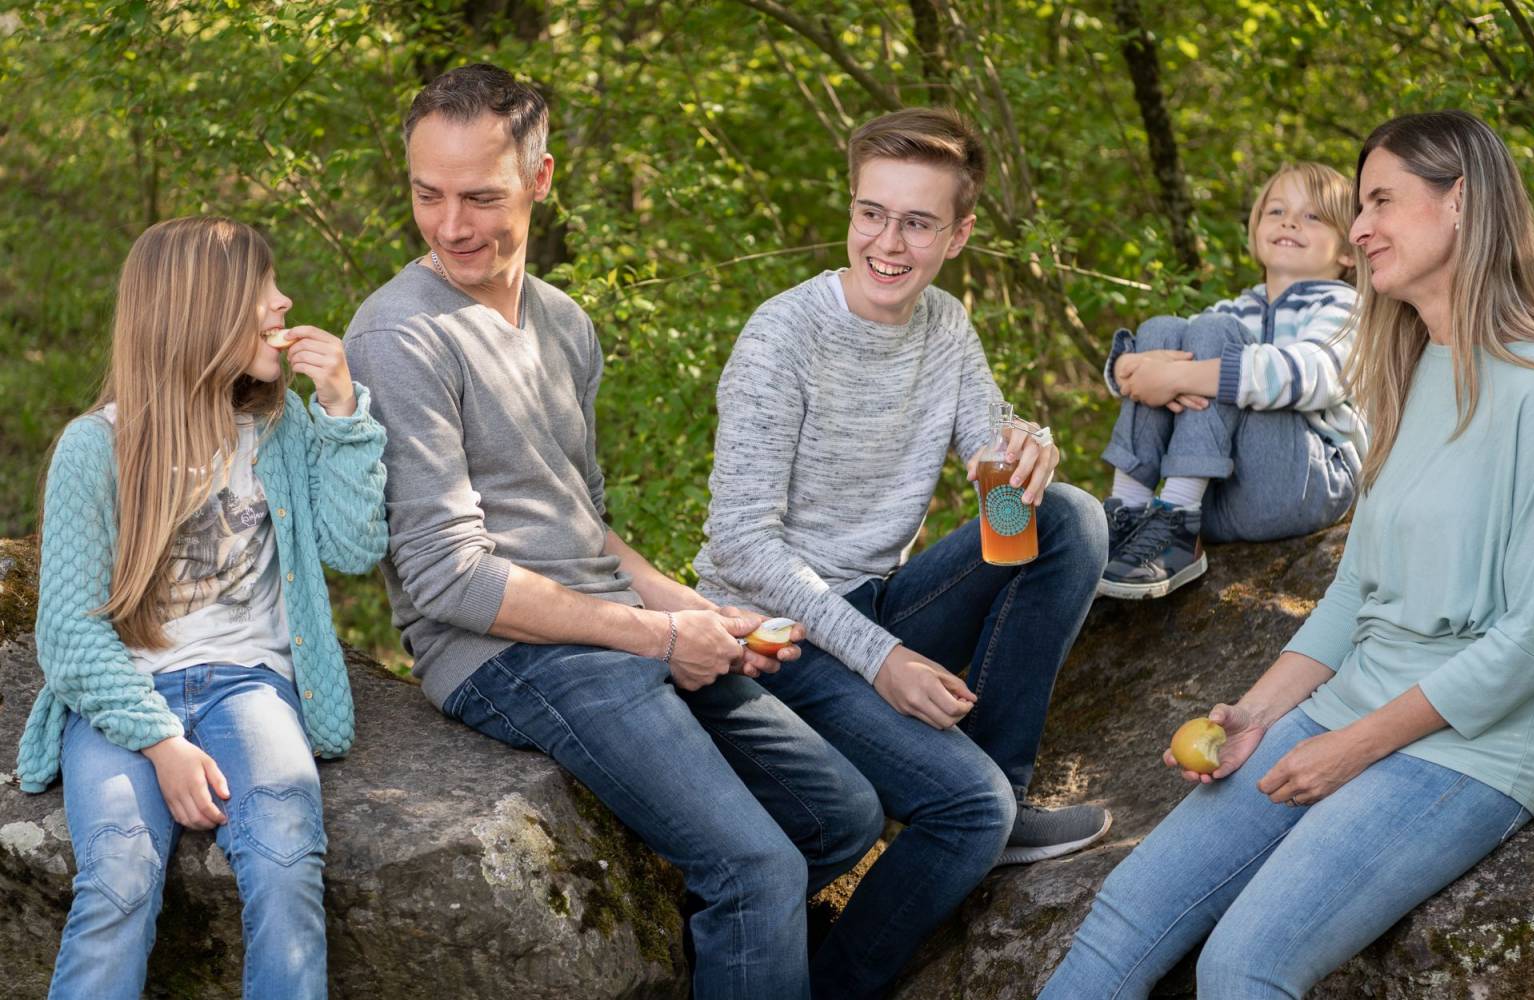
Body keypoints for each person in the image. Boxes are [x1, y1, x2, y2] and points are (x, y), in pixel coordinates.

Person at [342, 63, 882, 998]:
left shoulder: (564, 323)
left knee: (842, 815)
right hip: (503, 655)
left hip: (609, 625)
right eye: (428, 195)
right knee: (756, 872)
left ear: (541, 181)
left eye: (481, 195)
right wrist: (658, 635)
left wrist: (699, 612)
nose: (451, 224)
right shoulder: (399, 336)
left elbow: (584, 524)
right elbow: (446, 580)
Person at [1040, 109, 1534, 999]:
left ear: (1461, 204)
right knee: (1118, 922)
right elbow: (1351, 597)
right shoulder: (1406, 369)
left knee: (1241, 968)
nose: (1362, 227)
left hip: (1473, 746)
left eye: (1381, 200)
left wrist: (1353, 749)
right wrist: (1255, 716)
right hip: (1346, 702)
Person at [693, 107, 1111, 999]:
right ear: (850, 211)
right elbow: (740, 541)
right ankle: (840, 982)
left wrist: (1024, 450)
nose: (887, 242)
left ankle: (1003, 783)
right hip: (773, 634)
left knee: (1070, 518)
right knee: (964, 815)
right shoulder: (782, 335)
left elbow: (999, 499)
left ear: (957, 235)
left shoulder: (946, 325)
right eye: (870, 213)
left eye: (917, 222)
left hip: (878, 599)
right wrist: (884, 663)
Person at [13, 216, 389, 999]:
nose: (284, 302)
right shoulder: (96, 449)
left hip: (250, 684)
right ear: (203, 310)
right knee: (117, 873)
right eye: (263, 290)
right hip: (122, 702)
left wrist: (343, 408)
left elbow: (354, 549)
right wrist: (160, 746)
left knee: (288, 855)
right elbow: (71, 637)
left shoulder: (278, 430)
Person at [1096, 162, 1365, 599]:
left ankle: (1178, 527)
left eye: (1313, 216)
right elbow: (1157, 365)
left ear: (1348, 251)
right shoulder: (1238, 308)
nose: (1290, 221)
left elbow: (1316, 376)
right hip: (1222, 495)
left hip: (1301, 484)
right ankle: (1129, 514)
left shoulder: (1347, 307)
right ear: (1257, 229)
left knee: (1214, 335)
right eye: (1276, 211)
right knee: (1163, 329)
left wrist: (1184, 376)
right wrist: (1129, 368)